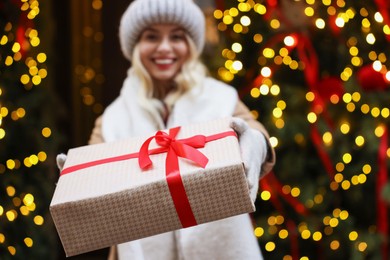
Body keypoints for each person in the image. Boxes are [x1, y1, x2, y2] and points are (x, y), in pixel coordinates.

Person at [84, 0, 274, 259]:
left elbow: (254, 130)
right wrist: (79, 176)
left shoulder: (221, 98)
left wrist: (254, 142)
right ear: (136, 45)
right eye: (152, 36)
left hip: (222, 248)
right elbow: (93, 174)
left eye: (176, 37)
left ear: (190, 46)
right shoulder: (112, 119)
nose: (164, 48)